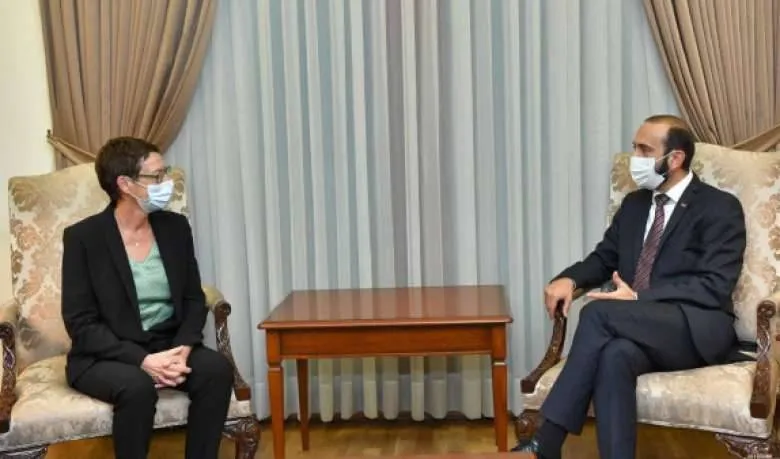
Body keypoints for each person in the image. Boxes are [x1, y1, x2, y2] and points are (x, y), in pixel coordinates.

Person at [512, 115, 748, 459]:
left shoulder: (719, 207)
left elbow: (714, 285)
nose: (634, 157)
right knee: (615, 355)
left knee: (597, 313)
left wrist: (639, 296)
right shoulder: (635, 205)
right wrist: (570, 279)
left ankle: (546, 442)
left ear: (675, 158)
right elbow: (604, 258)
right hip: (639, 327)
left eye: (644, 150)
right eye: (634, 147)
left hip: (694, 327)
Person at [61, 137, 234, 459]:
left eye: (165, 173)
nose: (167, 183)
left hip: (168, 344)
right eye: (156, 176)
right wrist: (142, 361)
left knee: (216, 370)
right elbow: (81, 323)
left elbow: (193, 299)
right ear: (125, 184)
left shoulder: (175, 227)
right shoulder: (84, 238)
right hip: (106, 355)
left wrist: (183, 350)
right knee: (136, 388)